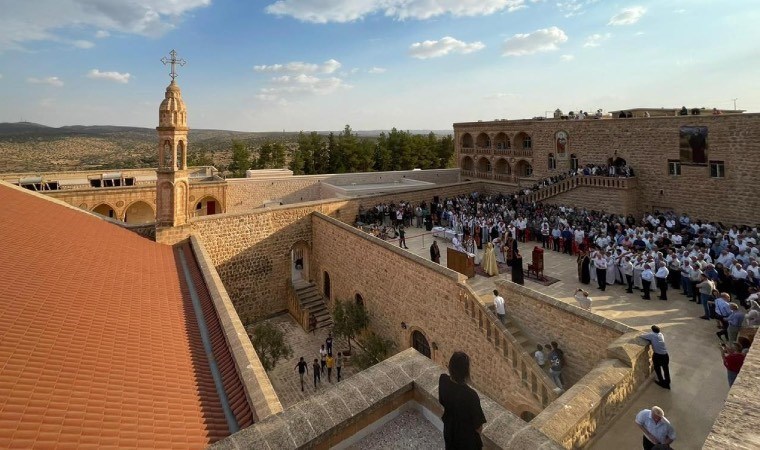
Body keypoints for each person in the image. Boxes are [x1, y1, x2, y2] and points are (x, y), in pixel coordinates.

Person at [438, 352, 487, 450]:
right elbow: (478, 427)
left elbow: (442, 401)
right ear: (466, 372)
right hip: (466, 440)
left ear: (450, 366)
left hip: (449, 431)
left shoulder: (443, 380)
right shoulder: (471, 395)